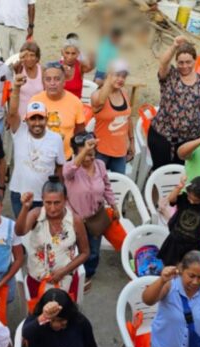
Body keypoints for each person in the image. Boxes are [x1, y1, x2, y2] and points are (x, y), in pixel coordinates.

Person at [15, 177, 90, 298]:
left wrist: (64, 271)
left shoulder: (75, 220)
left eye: (57, 203)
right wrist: (25, 208)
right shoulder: (36, 215)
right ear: (42, 199)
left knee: (63, 310)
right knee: (38, 310)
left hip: (66, 281)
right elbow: (19, 231)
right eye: (48, 203)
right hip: (37, 281)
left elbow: (85, 252)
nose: (52, 208)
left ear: (65, 200)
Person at [63, 132, 118, 289]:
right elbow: (67, 173)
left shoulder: (100, 165)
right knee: (72, 249)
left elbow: (107, 186)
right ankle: (70, 274)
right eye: (85, 154)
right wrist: (84, 152)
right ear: (76, 154)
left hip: (95, 218)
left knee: (93, 250)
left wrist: (114, 205)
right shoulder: (70, 167)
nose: (88, 158)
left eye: (91, 154)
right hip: (75, 219)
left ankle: (87, 274)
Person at [150, 37, 200, 169]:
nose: (184, 66)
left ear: (195, 60)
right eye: (181, 62)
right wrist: (174, 46)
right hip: (162, 135)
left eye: (188, 62)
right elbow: (163, 63)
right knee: (160, 171)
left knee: (181, 173)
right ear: (176, 62)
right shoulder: (170, 75)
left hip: (189, 139)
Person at [7, 79, 65, 217]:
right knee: (22, 229)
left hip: (45, 197)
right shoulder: (19, 131)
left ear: (47, 119)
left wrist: (59, 193)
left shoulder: (56, 138)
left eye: (41, 118)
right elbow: (12, 113)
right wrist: (16, 88)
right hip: (19, 194)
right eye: (33, 119)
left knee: (43, 230)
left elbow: (59, 167)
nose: (37, 123)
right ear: (26, 120)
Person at [158, 176, 200, 267]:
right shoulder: (183, 198)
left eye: (196, 201)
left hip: (193, 246)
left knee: (188, 267)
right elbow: (171, 199)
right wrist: (179, 187)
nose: (191, 202)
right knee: (168, 266)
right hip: (174, 242)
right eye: (190, 197)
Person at [30, 62, 86, 159]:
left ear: (64, 82)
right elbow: (28, 129)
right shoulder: (35, 101)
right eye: (48, 79)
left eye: (57, 79)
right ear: (43, 83)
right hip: (39, 157)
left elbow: (80, 132)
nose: (52, 83)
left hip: (65, 158)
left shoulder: (75, 102)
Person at [91, 59, 133, 174]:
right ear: (108, 75)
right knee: (97, 182)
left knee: (119, 183)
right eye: (117, 75)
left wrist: (132, 141)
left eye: (124, 76)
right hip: (101, 151)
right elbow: (100, 101)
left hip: (120, 151)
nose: (121, 79)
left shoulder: (124, 93)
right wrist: (108, 81)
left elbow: (128, 118)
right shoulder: (97, 95)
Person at [12, 42, 45, 119]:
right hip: (21, 115)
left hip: (38, 114)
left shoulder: (42, 70)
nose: (29, 58)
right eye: (25, 55)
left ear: (37, 57)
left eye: (32, 55)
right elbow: (8, 66)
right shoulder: (18, 68)